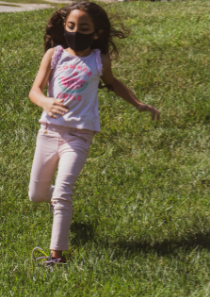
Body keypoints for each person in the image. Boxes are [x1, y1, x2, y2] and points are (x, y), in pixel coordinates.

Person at [29, 1, 159, 267]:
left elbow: (112, 84)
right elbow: (35, 90)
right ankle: (54, 200)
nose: (76, 31)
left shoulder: (100, 60)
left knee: (64, 191)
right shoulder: (54, 56)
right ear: (65, 27)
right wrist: (46, 102)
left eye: (83, 27)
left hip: (79, 136)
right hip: (49, 131)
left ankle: (56, 257)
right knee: (36, 196)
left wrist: (138, 104)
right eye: (71, 26)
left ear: (96, 32)